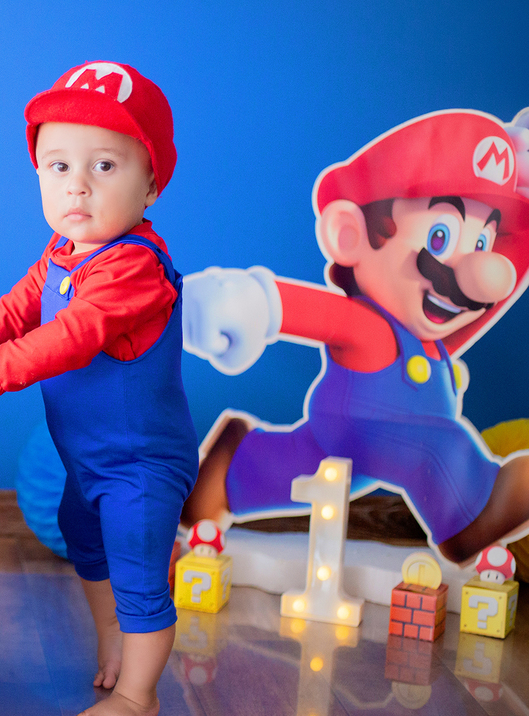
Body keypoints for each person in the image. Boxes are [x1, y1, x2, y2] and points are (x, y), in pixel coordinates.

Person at [0, 62, 198, 716]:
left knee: (137, 569)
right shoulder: (67, 249)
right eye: (57, 166)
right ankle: (113, 644)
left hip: (139, 464)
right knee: (84, 539)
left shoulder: (133, 267)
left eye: (105, 166)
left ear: (151, 184)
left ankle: (139, 696)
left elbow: (71, 337)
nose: (77, 184)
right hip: (88, 457)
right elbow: (27, 298)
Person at [180, 109, 529, 565]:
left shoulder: (426, 336)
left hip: (358, 448)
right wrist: (251, 301)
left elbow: (500, 286)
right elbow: (316, 313)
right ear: (351, 234)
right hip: (359, 431)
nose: (479, 272)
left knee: (292, 467)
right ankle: (472, 509)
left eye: (482, 243)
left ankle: (230, 468)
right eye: (441, 236)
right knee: (436, 443)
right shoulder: (370, 327)